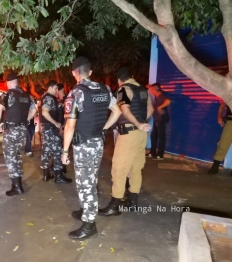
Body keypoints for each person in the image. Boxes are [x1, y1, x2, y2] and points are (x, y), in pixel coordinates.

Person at [61, 56, 122, 240]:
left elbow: (70, 126)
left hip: (84, 145)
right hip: (97, 143)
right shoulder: (103, 89)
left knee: (85, 183)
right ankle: (85, 209)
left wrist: (65, 151)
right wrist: (105, 127)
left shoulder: (76, 93)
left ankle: (89, 225)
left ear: (74, 73)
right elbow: (117, 111)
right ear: (90, 72)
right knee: (90, 179)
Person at [98, 67, 153, 217]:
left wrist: (137, 123)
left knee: (119, 169)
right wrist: (142, 123)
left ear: (119, 80)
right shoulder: (143, 89)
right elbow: (150, 108)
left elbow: (125, 110)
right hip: (141, 135)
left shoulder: (123, 89)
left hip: (129, 134)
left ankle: (115, 205)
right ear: (132, 75)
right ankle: (132, 201)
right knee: (136, 169)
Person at [0, 73, 37, 196]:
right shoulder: (26, 95)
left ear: (9, 82)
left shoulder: (7, 94)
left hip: (11, 130)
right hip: (22, 130)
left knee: (10, 157)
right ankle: (17, 183)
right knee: (17, 155)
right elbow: (34, 109)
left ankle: (17, 187)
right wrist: (26, 119)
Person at [40, 80, 72, 183]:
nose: (56, 91)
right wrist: (56, 123)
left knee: (46, 151)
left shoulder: (46, 97)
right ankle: (58, 176)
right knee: (58, 152)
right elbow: (45, 113)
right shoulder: (49, 98)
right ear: (51, 87)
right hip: (51, 130)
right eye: (55, 88)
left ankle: (46, 175)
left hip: (47, 129)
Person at [208, 101, 232, 175]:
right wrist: (219, 117)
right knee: (223, 144)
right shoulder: (230, 93)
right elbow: (222, 105)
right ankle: (215, 166)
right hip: (231, 121)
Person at [147, 83, 171, 160]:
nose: (150, 91)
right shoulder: (157, 97)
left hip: (161, 119)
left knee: (161, 137)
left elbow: (168, 101)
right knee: (153, 136)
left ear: (154, 90)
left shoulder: (162, 96)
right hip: (157, 119)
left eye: (151, 90)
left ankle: (160, 154)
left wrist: (160, 107)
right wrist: (150, 86)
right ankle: (152, 152)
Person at [56, 83, 68, 173]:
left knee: (64, 147)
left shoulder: (67, 99)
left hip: (65, 128)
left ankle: (63, 167)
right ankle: (60, 166)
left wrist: (63, 128)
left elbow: (68, 117)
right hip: (60, 127)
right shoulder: (59, 100)